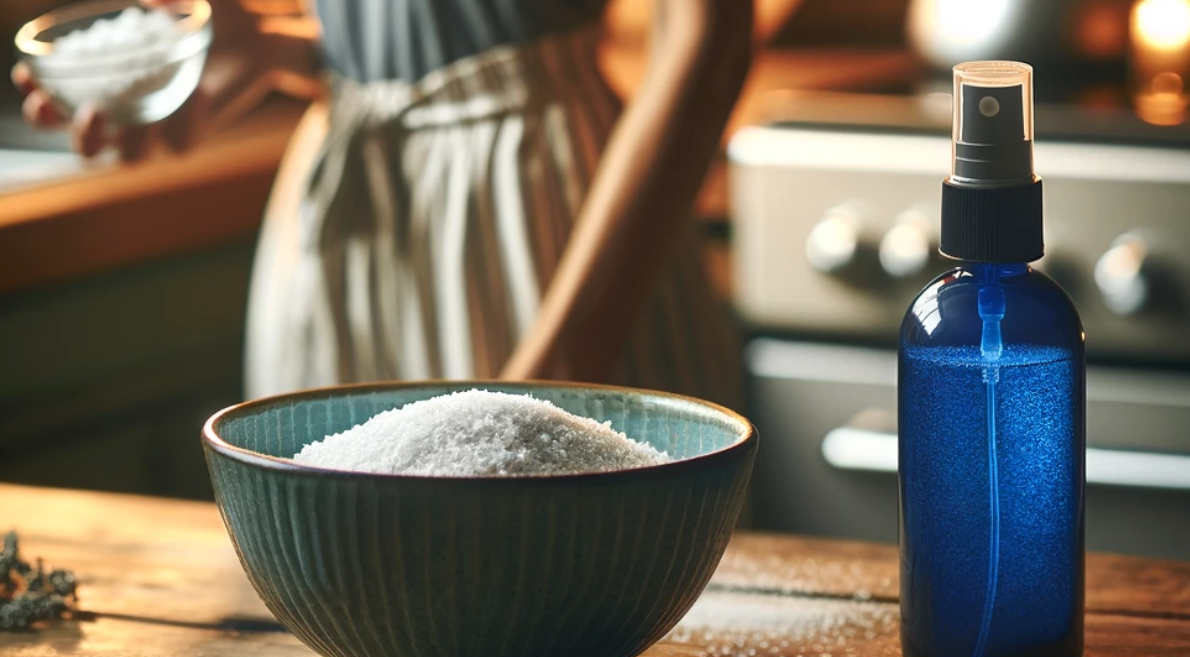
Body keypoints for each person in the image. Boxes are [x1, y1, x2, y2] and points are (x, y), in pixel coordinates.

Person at [14, 0, 752, 408]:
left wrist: (559, 360)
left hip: (537, 213)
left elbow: (708, 39)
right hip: (346, 204)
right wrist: (281, 46)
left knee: (573, 578)